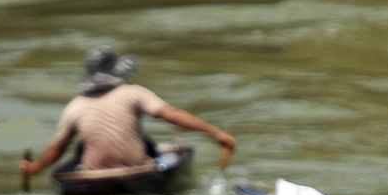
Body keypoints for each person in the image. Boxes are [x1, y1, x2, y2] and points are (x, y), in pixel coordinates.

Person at [20, 47, 236, 178]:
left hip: (92, 176)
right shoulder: (133, 93)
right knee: (149, 145)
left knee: (80, 149)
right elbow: (171, 115)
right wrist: (214, 132)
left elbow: (57, 148)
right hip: (136, 170)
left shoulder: (75, 106)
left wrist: (34, 169)